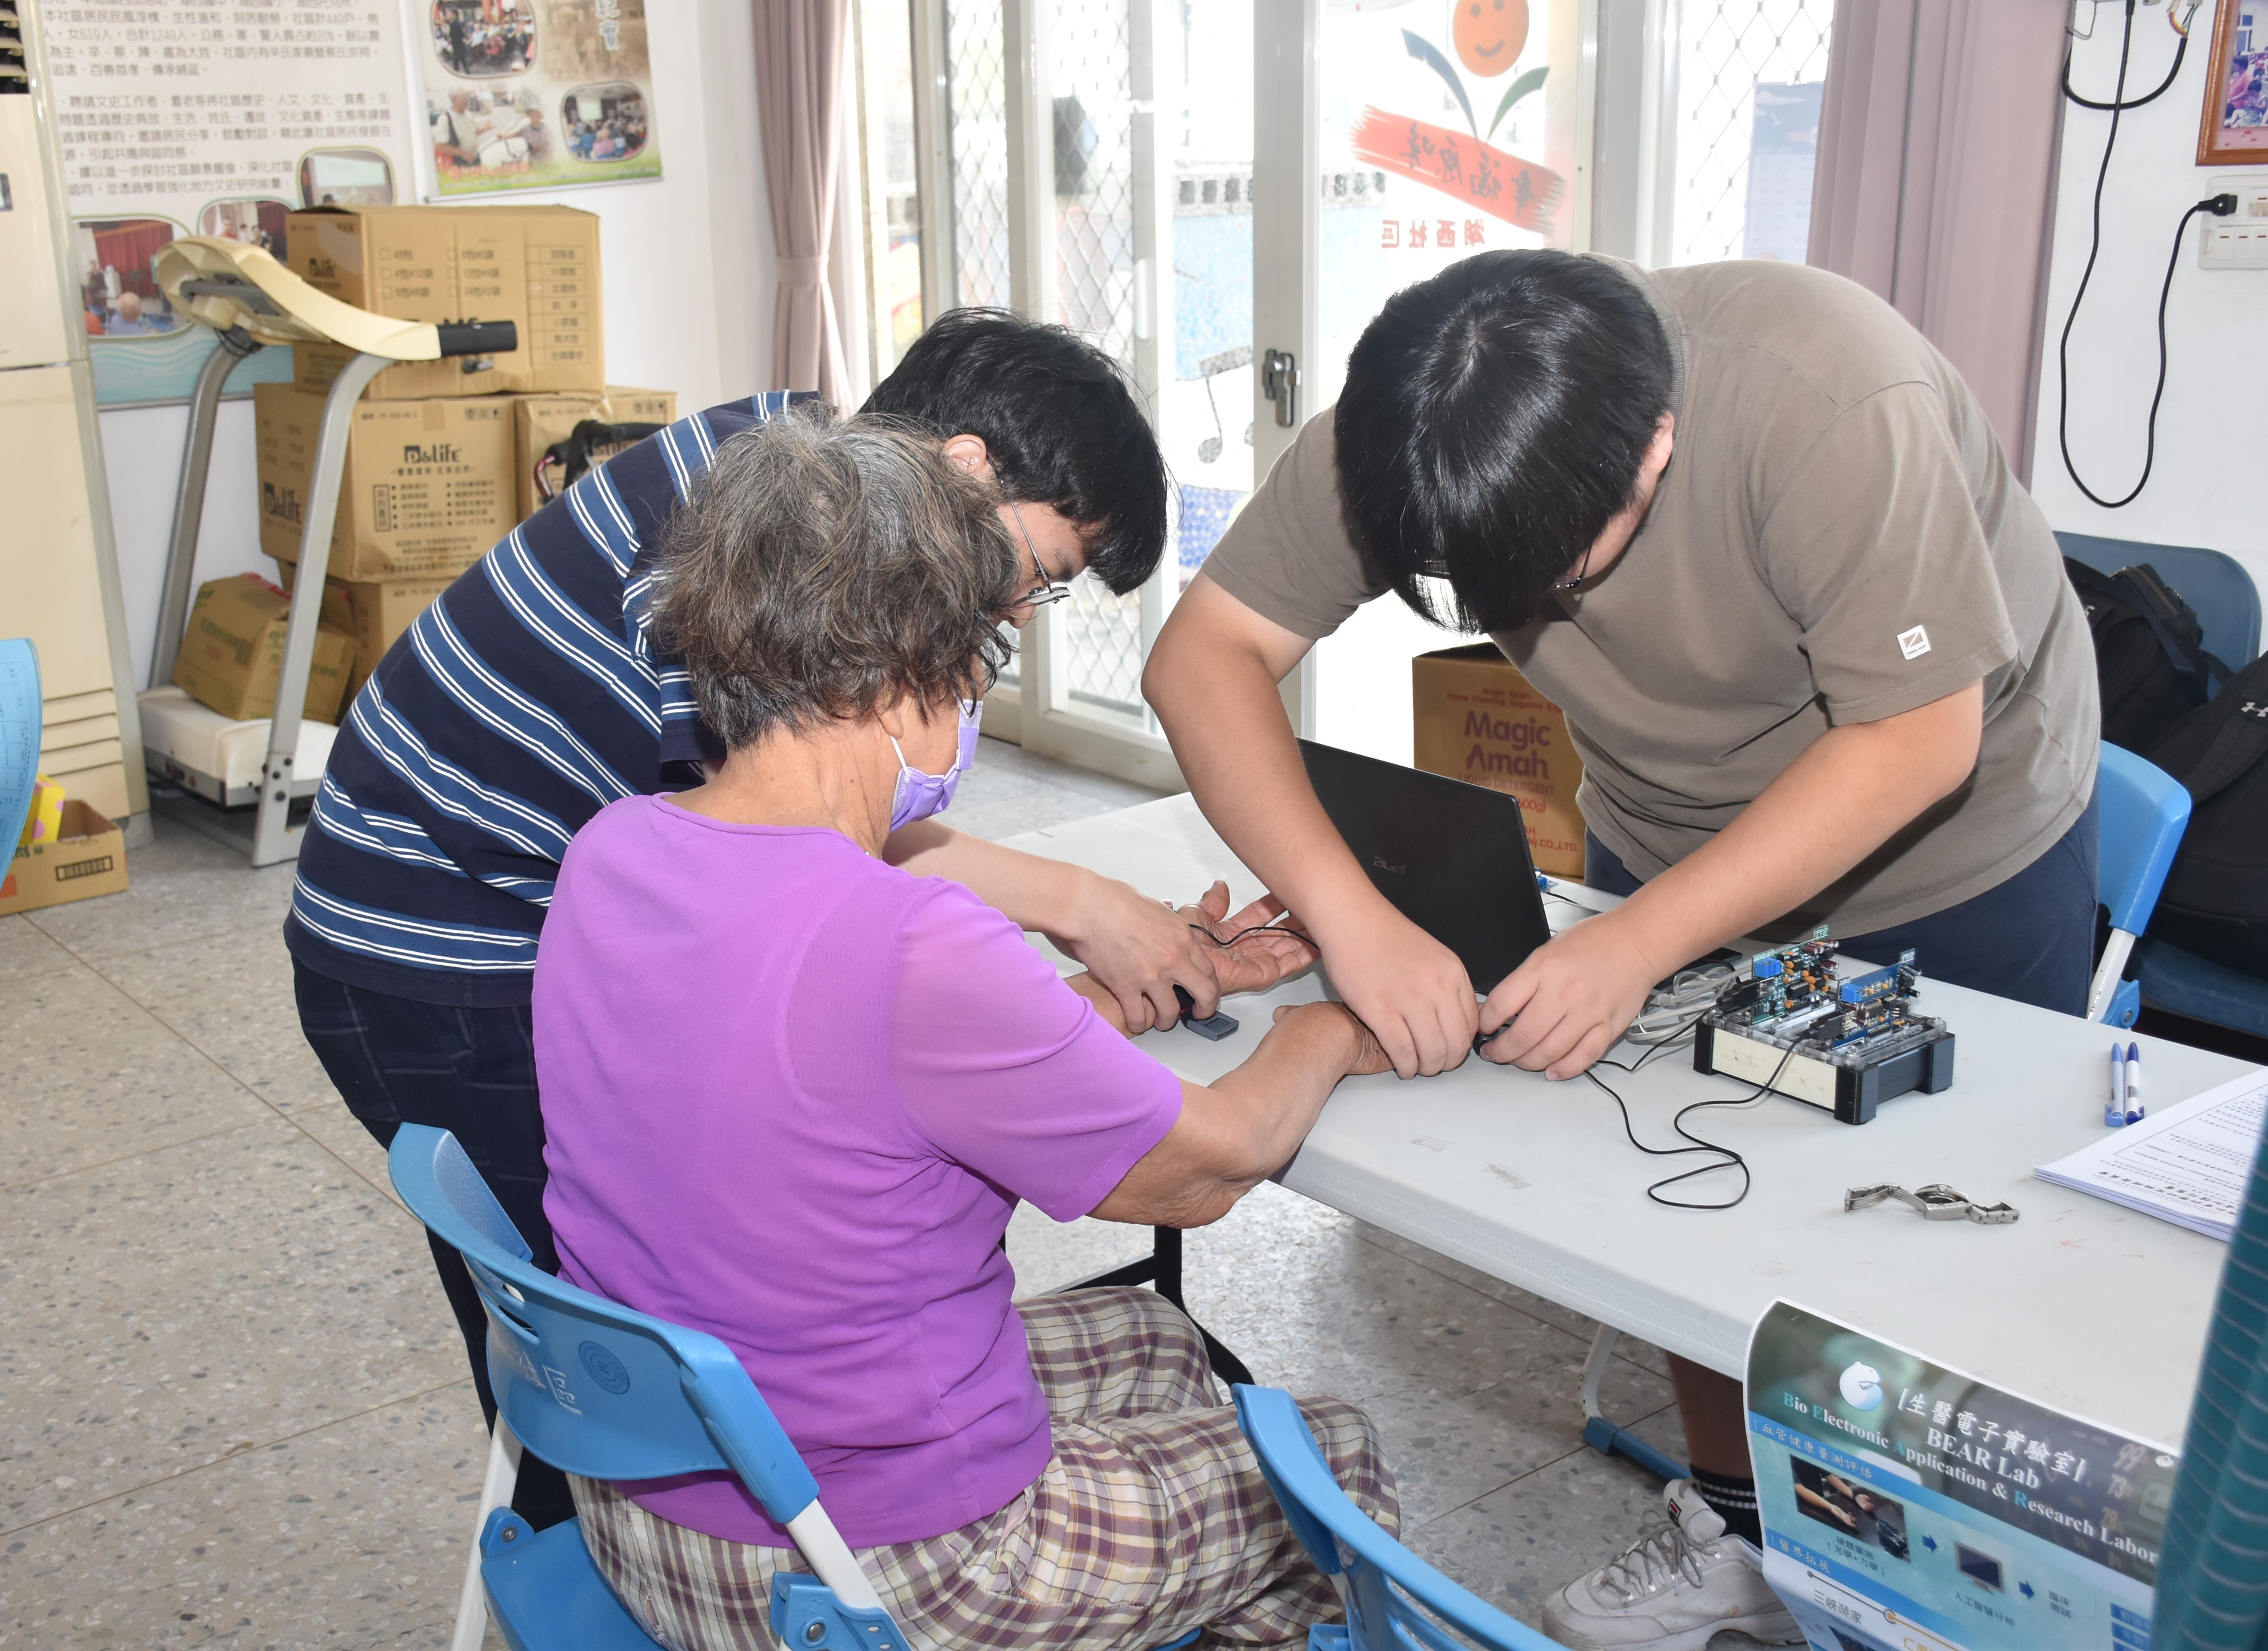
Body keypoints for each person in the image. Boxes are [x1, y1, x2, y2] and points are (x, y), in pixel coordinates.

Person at [1143, 249, 2097, 1651]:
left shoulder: (1831, 398)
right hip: (1664, 820)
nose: (1510, 615)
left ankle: (1941, 1591)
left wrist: (1636, 945)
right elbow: (1200, 658)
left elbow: (1915, 739)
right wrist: (1354, 921)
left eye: (1546, 578)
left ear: (1654, 451)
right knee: (1686, 1198)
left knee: (1926, 1246)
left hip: (1948, 838)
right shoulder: (1423, 415)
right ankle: (1737, 1531)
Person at [291, 309, 1234, 1536]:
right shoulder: (737, 567)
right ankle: (639, 1563)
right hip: (434, 948)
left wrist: (1082, 922)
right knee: (611, 1355)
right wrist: (1077, 910)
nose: (1014, 618)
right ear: (960, 473)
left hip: (454, 894)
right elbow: (796, 844)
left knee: (664, 1302)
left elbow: (798, 851)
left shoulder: (778, 475)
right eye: (1040, 575)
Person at [537, 406, 1398, 1650]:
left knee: (1157, 1345)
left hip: (647, 1501)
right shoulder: (907, 944)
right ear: (902, 675)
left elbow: (845, 1080)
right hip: (869, 1567)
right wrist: (1327, 1030)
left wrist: (1109, 1009)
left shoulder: (613, 853)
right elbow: (1204, 1171)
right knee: (1327, 1453)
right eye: (976, 659)